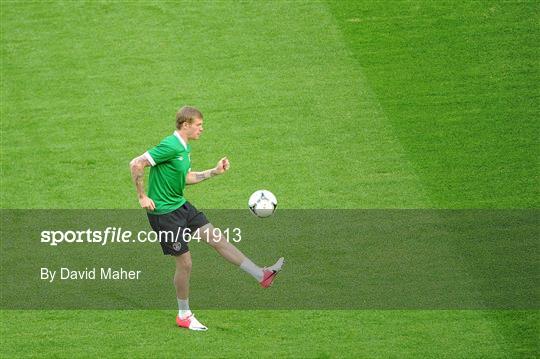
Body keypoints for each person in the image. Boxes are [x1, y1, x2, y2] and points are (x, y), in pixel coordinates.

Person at [130, 106, 284, 331]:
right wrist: (142, 196)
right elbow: (136, 163)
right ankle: (184, 314)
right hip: (164, 214)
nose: (202, 129)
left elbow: (186, 177)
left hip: (180, 205)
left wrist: (213, 172)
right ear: (186, 125)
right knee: (185, 262)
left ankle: (262, 275)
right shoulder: (171, 145)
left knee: (217, 239)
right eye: (199, 125)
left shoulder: (184, 148)